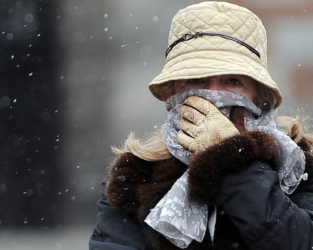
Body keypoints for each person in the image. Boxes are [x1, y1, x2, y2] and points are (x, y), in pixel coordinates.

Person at [89, 2, 313, 250]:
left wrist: (232, 159)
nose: (212, 96)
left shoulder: (299, 169)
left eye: (232, 81)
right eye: (196, 80)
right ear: (169, 94)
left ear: (259, 96)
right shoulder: (135, 175)